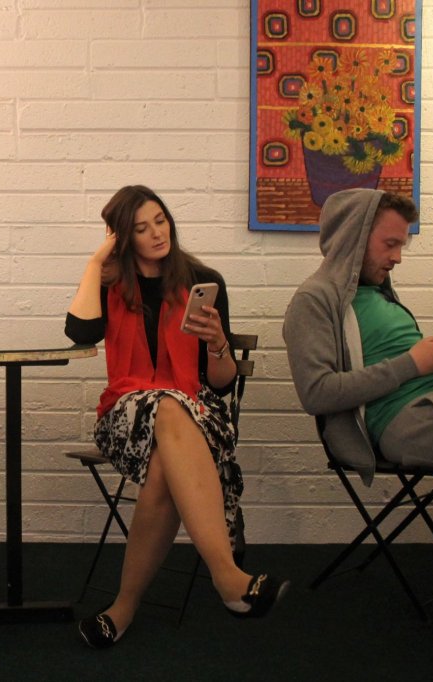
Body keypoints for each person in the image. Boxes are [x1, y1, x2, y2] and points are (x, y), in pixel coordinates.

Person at [65, 185, 289, 649]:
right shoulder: (110, 284)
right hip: (125, 416)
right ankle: (228, 577)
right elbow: (80, 332)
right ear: (121, 237)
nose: (157, 233)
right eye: (140, 228)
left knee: (166, 453)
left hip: (197, 414)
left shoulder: (203, 281)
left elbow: (221, 384)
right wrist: (94, 263)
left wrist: (217, 343)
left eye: (160, 220)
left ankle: (122, 609)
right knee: (167, 406)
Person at [283, 188, 433, 486]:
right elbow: (316, 393)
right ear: (354, 238)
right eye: (390, 244)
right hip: (406, 417)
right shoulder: (313, 299)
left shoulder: (378, 293)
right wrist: (412, 363)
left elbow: (394, 365)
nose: (397, 258)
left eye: (401, 245)